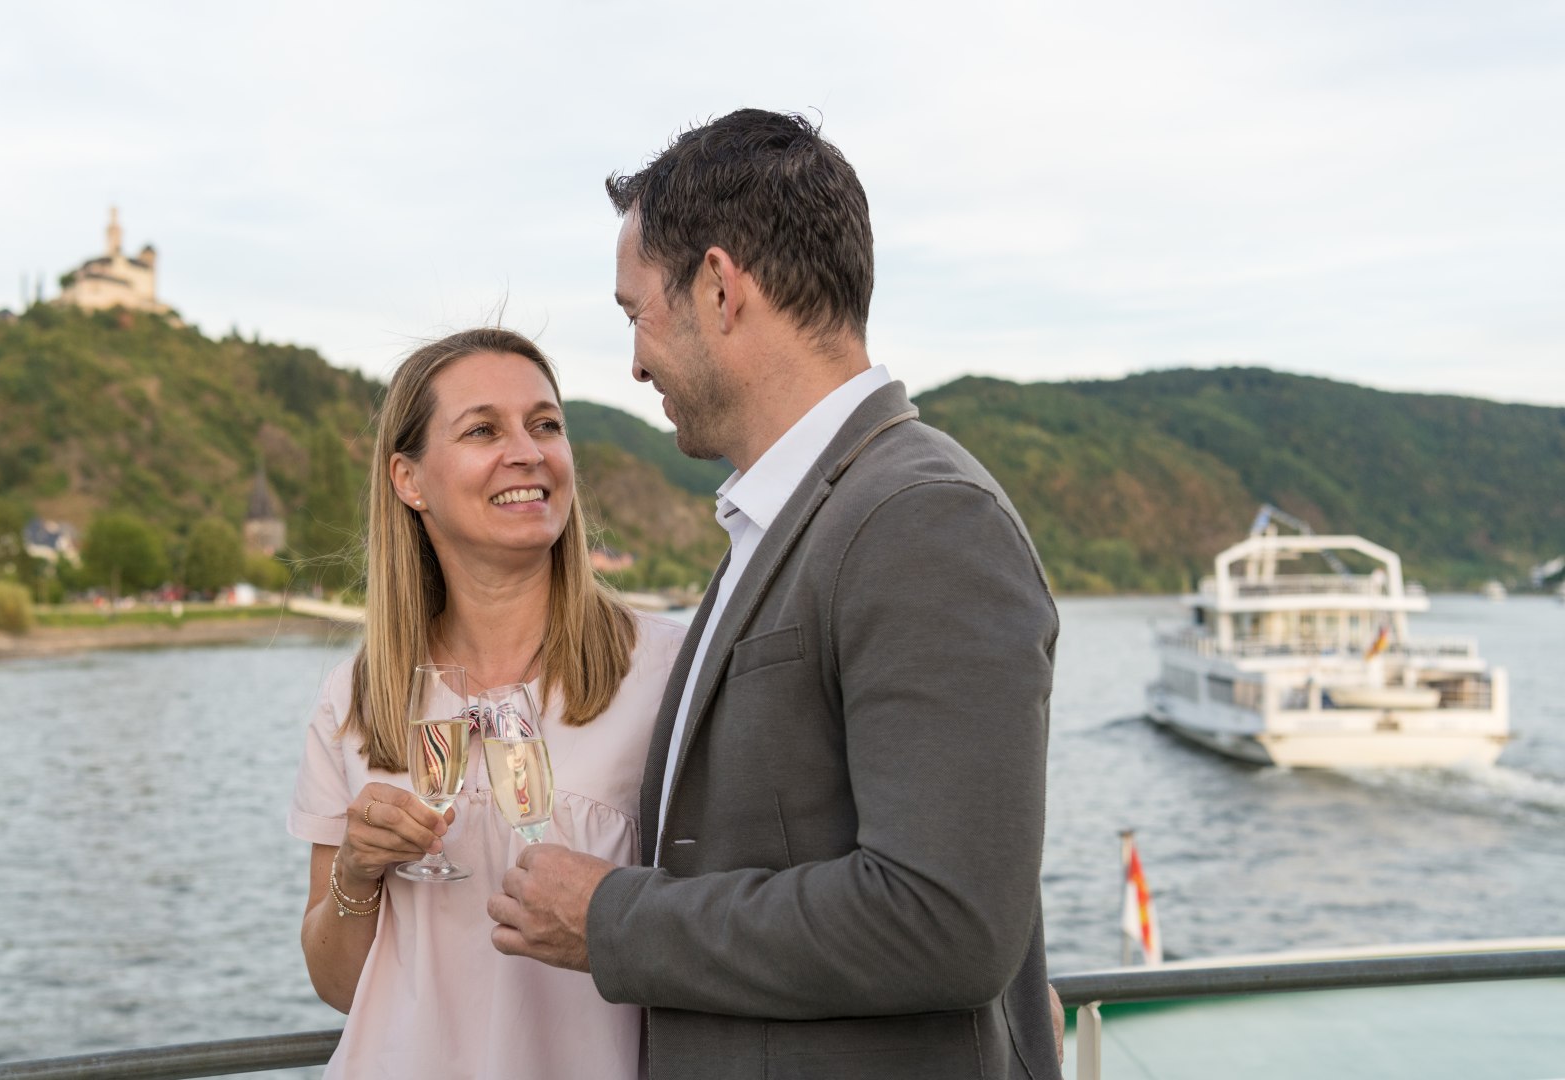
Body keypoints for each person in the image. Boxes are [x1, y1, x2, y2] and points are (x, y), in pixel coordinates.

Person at [488, 110, 1065, 1078]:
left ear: (720, 287)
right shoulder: (790, 518)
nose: (633, 361)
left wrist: (611, 917)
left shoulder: (922, 519)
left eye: (638, 312)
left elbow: (947, 921)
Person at [287, 327, 688, 1078]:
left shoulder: (664, 673)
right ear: (409, 481)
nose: (529, 451)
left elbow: (716, 938)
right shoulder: (354, 698)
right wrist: (357, 874)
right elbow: (342, 989)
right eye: (483, 429)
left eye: (545, 425)